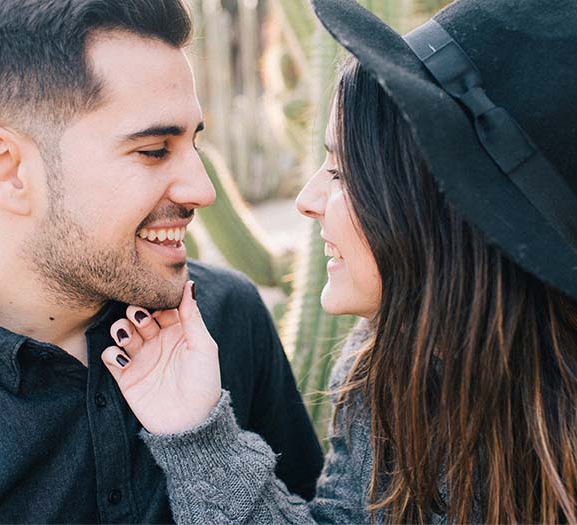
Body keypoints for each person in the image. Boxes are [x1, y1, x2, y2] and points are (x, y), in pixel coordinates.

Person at [101, 0, 577, 523]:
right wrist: (197, 433)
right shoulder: (387, 366)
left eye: (343, 172)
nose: (306, 199)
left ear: (438, 208)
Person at [0, 1, 324, 522]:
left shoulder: (227, 316)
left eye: (193, 143)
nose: (203, 190)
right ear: (7, 168)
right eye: (155, 150)